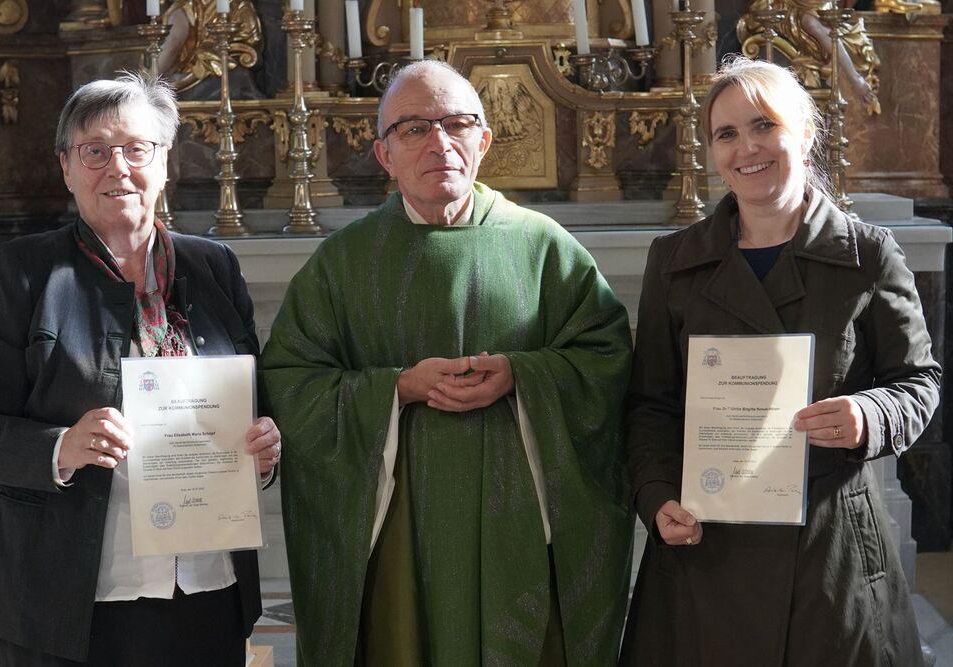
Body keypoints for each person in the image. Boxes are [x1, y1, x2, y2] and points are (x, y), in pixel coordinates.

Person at [259, 59, 634, 666]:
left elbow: (607, 359)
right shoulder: (343, 262)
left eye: (457, 124)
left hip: (520, 527)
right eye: (414, 128)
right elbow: (290, 381)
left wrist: (522, 375)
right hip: (399, 535)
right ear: (384, 155)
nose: (440, 142)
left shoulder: (544, 246)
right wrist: (397, 388)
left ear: (483, 141)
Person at [619, 56, 940, 666]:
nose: (747, 148)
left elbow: (917, 382)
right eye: (726, 134)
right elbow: (651, 404)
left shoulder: (868, 254)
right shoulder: (674, 261)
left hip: (830, 550)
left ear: (807, 132)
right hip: (706, 544)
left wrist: (870, 415)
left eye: (764, 125)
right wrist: (657, 495)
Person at [0, 73, 281, 666]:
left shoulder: (214, 266)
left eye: (136, 149)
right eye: (95, 151)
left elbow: (256, 403)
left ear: (165, 162)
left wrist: (264, 445)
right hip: (62, 595)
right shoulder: (23, 271)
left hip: (205, 583)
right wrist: (62, 446)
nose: (118, 168)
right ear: (66, 167)